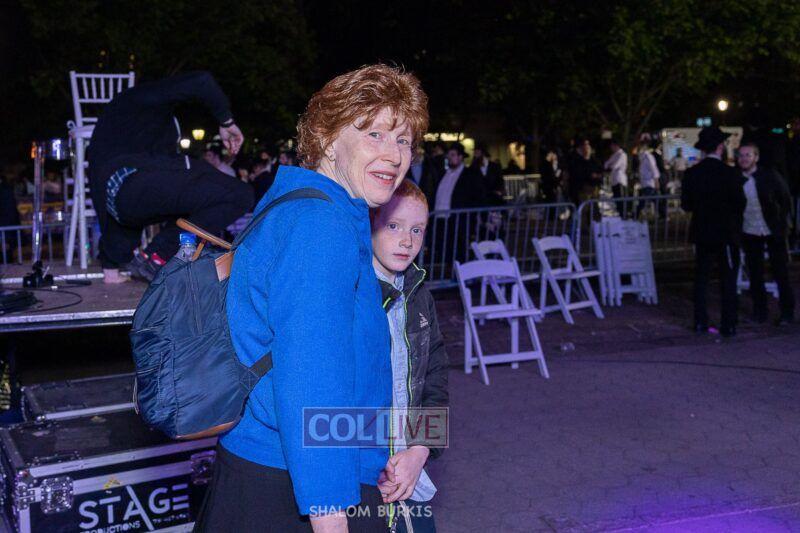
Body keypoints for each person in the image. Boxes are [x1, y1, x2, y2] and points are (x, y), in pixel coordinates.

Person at [194, 64, 429, 533]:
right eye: (375, 134)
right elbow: (312, 376)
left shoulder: (304, 205)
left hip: (286, 467)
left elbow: (416, 365)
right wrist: (329, 513)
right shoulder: (321, 226)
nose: (394, 154)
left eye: (403, 140)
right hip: (296, 484)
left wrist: (421, 442)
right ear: (327, 139)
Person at [87, 71, 253, 284]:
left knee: (206, 198)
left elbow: (103, 184)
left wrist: (111, 263)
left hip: (126, 202)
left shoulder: (122, 131)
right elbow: (201, 81)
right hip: (135, 188)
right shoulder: (141, 97)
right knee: (239, 194)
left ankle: (157, 256)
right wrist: (226, 121)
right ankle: (159, 254)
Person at [370, 180, 448, 533]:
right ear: (369, 225)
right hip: (365, 470)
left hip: (409, 467)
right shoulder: (353, 294)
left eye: (417, 230)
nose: (407, 241)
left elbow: (435, 377)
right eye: (394, 226)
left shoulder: (419, 295)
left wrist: (421, 449)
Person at [681, 126, 746, 337]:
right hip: (726, 232)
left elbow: (686, 205)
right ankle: (729, 323)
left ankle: (700, 321)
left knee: (701, 277)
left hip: (702, 231)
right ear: (720, 147)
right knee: (728, 279)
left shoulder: (692, 174)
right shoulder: (730, 173)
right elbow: (740, 203)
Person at [737, 142, 795, 325]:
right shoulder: (736, 179)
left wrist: (782, 223)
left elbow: (785, 199)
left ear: (756, 157)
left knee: (780, 272)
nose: (744, 159)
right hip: (749, 230)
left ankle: (787, 312)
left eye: (748, 155)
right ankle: (760, 311)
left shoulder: (769, 176)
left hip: (772, 229)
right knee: (755, 273)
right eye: (741, 155)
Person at [432, 142, 485, 211]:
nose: (449, 157)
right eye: (448, 155)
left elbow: (478, 196)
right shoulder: (442, 174)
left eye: (452, 155)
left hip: (457, 215)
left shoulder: (470, 175)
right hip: (438, 215)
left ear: (460, 157)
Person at [565, 138, 602, 205]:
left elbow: (600, 172)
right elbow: (576, 174)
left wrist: (597, 176)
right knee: (583, 208)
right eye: (585, 146)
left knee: (594, 208)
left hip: (594, 189)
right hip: (582, 190)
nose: (587, 148)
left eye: (588, 146)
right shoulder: (576, 161)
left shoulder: (594, 161)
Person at [636, 141, 664, 218]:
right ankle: (663, 215)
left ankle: (635, 215)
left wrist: (656, 181)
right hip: (646, 183)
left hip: (649, 182)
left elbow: (653, 169)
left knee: (643, 201)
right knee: (655, 200)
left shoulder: (648, 156)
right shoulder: (642, 157)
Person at [604, 139, 628, 215]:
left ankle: (624, 215)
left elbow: (614, 166)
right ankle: (621, 214)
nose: (611, 148)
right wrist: (609, 166)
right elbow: (606, 164)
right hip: (614, 180)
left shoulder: (622, 154)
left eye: (612, 146)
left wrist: (610, 166)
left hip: (620, 180)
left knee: (621, 199)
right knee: (617, 200)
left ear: (616, 145)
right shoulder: (614, 155)